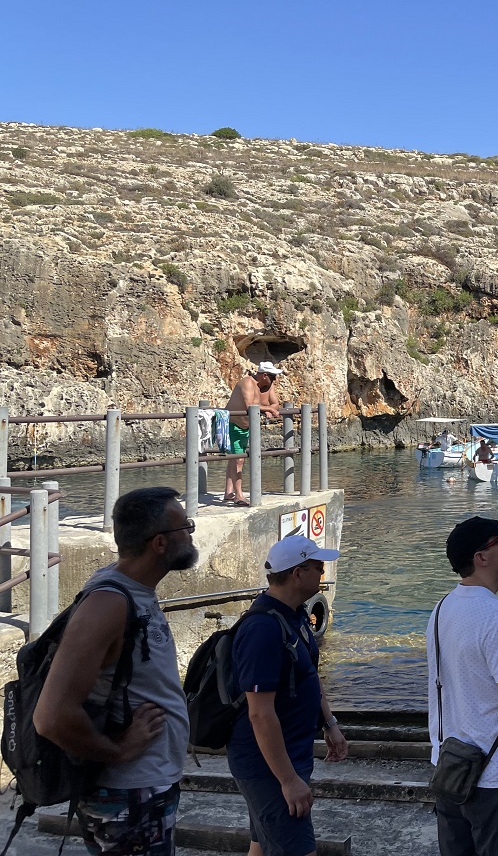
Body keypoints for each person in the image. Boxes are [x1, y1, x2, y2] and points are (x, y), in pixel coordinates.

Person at [33, 487, 196, 856]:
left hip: (146, 788)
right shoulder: (108, 604)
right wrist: (116, 751)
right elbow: (51, 716)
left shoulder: (135, 589)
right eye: (186, 526)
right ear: (159, 543)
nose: (190, 532)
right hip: (128, 795)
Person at [426, 515, 498, 856]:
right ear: (481, 557)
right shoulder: (495, 614)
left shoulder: (441, 608)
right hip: (497, 779)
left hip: (450, 769)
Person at [228, 534, 346, 856]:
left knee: (262, 846)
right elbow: (259, 713)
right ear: (298, 573)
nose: (323, 575)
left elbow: (308, 674)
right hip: (267, 763)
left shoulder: (293, 616)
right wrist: (288, 780)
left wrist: (329, 723)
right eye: (319, 568)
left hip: (286, 755)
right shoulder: (263, 630)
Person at [224, 362, 283, 506]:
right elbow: (249, 405)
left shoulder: (267, 386)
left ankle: (228, 492)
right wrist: (268, 409)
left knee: (235, 457)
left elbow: (275, 404)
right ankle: (238, 496)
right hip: (233, 423)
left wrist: (268, 409)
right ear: (264, 375)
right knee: (238, 459)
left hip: (246, 427)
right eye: (273, 377)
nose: (274, 380)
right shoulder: (248, 383)